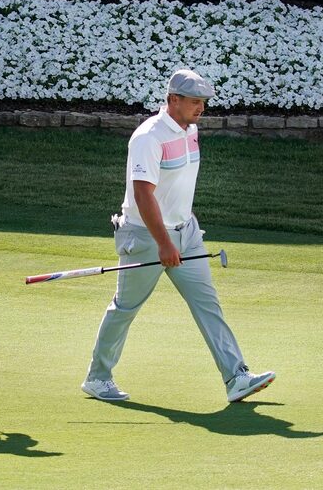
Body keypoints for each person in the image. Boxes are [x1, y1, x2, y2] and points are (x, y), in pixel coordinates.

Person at [82, 68, 276, 405]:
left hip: (186, 232)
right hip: (145, 237)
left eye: (203, 102)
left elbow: (179, 187)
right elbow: (143, 195)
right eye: (195, 102)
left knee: (207, 305)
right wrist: (163, 243)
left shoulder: (190, 131)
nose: (201, 108)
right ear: (173, 100)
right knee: (126, 307)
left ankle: (236, 377)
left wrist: (184, 225)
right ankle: (98, 378)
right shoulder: (148, 138)